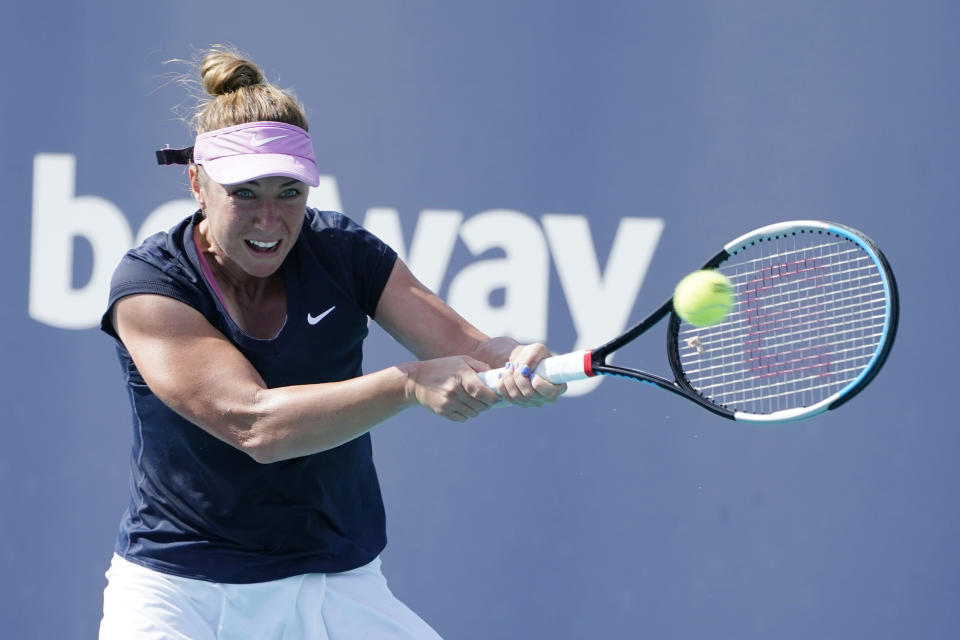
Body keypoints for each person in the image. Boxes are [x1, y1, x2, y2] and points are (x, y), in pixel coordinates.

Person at [98, 46, 565, 639]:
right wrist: (407, 383)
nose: (270, 220)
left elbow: (470, 349)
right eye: (245, 193)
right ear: (197, 183)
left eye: (289, 193)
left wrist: (517, 364)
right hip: (183, 593)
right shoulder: (151, 286)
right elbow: (255, 427)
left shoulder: (345, 253)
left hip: (337, 583)